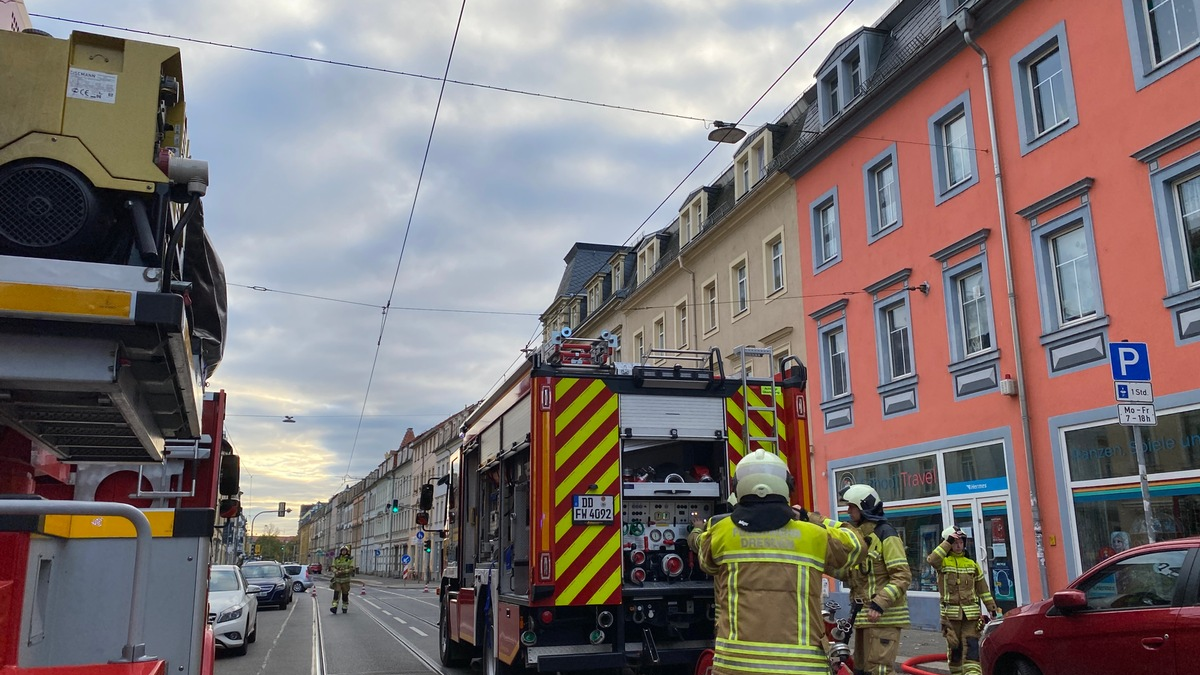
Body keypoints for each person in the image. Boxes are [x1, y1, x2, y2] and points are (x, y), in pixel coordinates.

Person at [688, 449, 864, 675]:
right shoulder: (813, 535)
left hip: (735, 667)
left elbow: (706, 561)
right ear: (786, 486)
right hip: (801, 669)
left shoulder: (721, 533)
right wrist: (810, 517)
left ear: (737, 488)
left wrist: (696, 528)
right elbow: (856, 545)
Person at [839, 484, 911, 675]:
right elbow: (850, 574)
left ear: (864, 507)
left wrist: (879, 603)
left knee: (879, 671)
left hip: (883, 619)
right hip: (865, 619)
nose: (848, 511)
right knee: (862, 671)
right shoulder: (863, 538)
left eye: (852, 507)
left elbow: (902, 576)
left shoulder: (886, 534)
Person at [926, 526, 1000, 675]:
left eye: (961, 542)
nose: (959, 545)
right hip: (950, 616)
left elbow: (983, 589)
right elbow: (932, 559)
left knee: (972, 647)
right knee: (955, 649)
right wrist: (948, 541)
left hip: (971, 616)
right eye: (955, 542)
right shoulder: (943, 563)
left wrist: (992, 608)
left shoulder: (972, 564)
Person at [330, 546, 355, 614]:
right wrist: (335, 571)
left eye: (345, 550)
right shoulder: (337, 559)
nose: (343, 552)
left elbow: (351, 568)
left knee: (345, 594)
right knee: (336, 592)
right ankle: (334, 607)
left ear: (347, 551)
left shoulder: (350, 559)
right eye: (342, 550)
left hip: (345, 580)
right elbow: (332, 567)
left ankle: (345, 606)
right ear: (340, 551)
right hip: (337, 579)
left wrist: (343, 571)